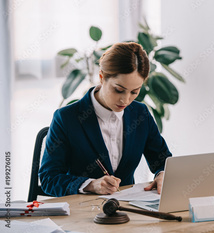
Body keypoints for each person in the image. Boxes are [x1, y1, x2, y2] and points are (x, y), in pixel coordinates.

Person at [39, 42, 172, 197]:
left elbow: (162, 160)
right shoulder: (66, 118)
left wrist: (162, 174)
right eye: (119, 90)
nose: (125, 100)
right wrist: (90, 185)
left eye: (134, 92)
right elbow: (49, 178)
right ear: (102, 77)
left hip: (128, 210)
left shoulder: (140, 113)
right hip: (82, 211)